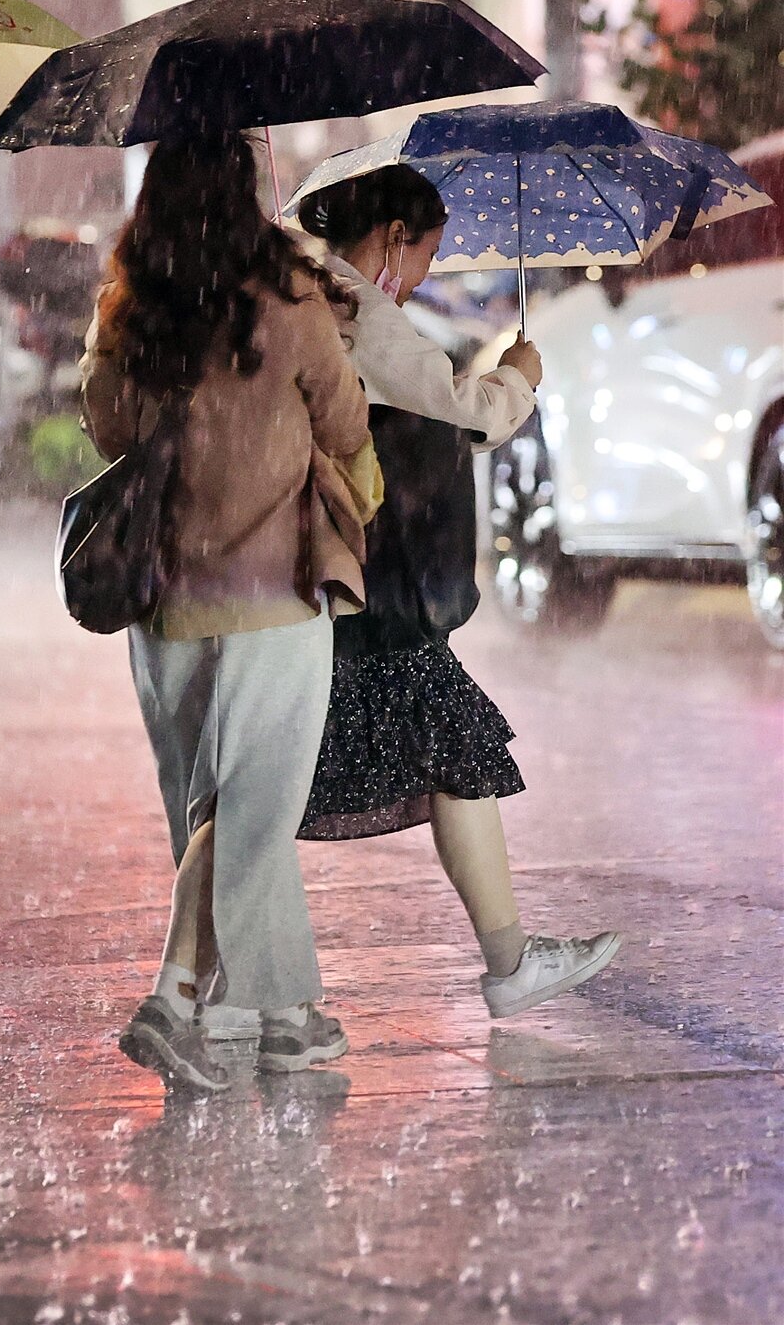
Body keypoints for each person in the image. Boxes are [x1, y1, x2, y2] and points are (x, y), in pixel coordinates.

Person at [80, 133, 374, 1092]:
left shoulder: (134, 306)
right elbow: (346, 424)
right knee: (248, 810)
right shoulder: (289, 304)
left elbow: (109, 425)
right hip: (275, 592)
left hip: (166, 600)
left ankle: (284, 1015)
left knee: (216, 809)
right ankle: (171, 997)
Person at [294, 165, 620, 1018]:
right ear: (394, 236)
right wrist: (517, 377)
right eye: (429, 252)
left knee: (427, 755)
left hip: (346, 585)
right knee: (265, 788)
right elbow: (458, 406)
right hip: (369, 591)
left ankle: (204, 985)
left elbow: (403, 428)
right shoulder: (358, 309)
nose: (429, 274)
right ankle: (204, 985)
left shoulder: (317, 298)